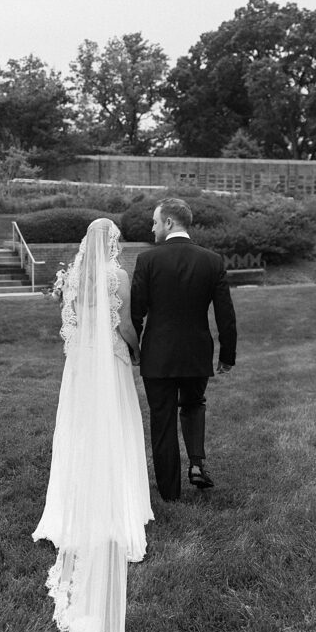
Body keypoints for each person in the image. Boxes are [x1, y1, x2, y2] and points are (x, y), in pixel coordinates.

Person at [32, 218, 154, 632]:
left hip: (80, 365)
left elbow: (74, 321)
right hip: (111, 362)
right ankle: (120, 505)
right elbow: (121, 325)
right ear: (113, 243)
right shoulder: (116, 275)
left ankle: (68, 505)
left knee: (79, 430)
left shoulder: (72, 275)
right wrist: (138, 350)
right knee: (116, 426)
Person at [130, 198, 237, 502]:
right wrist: (227, 354)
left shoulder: (148, 260)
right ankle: (196, 464)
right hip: (196, 352)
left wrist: (133, 349)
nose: (152, 227)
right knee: (193, 403)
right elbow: (225, 314)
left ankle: (169, 492)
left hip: (158, 354)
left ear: (168, 223)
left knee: (162, 419)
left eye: (154, 221)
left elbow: (136, 311)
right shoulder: (212, 260)